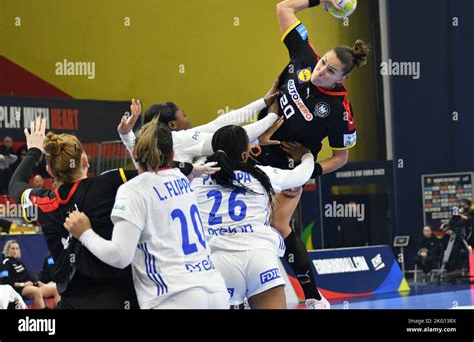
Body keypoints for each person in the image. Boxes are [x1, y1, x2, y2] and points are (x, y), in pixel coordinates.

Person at [252, 0, 369, 307]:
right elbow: (283, 7)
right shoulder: (305, 56)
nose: (321, 71)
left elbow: (341, 157)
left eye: (330, 71)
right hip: (258, 144)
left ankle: (314, 298)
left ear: (341, 78)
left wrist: (308, 170)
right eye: (324, 63)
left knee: (278, 225)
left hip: (291, 166)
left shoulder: (338, 110)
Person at [64, 119, 230, 309]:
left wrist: (85, 233)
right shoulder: (181, 178)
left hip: (173, 297)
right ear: (173, 154)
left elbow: (119, 256)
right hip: (215, 290)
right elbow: (148, 166)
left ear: (136, 153)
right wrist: (126, 136)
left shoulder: (132, 190)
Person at [9, 118, 139, 309]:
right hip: (122, 297)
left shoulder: (45, 203)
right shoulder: (110, 184)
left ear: (49, 171)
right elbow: (151, 172)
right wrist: (128, 136)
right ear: (85, 161)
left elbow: (15, 185)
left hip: (73, 303)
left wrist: (34, 151)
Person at [192, 125, 315, 308]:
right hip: (260, 257)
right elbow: (303, 173)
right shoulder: (262, 175)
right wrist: (307, 155)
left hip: (218, 261)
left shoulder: (194, 178)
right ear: (244, 155)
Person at [119, 83, 281, 164]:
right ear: (172, 126)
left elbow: (218, 124)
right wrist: (272, 116)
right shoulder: (180, 140)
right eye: (183, 115)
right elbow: (228, 138)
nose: (187, 118)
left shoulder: (147, 151)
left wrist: (262, 102)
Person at [1, 240, 60, 308]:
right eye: (13, 248)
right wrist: (23, 284)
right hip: (18, 289)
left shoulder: (19, 262)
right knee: (36, 292)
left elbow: (27, 275)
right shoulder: (5, 263)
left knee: (57, 288)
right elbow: (6, 282)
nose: (15, 251)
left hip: (30, 286)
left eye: (17, 248)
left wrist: (37, 282)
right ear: (7, 250)